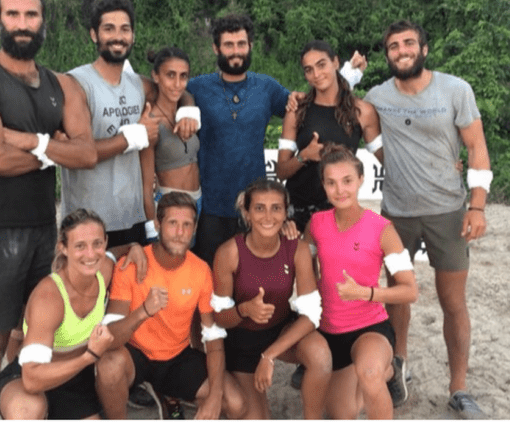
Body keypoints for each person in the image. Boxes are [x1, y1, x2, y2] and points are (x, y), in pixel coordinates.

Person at [0, 0, 99, 418]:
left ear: (43, 22)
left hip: (42, 227)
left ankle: (23, 407)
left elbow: (87, 154)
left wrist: (29, 143)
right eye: (12, 14)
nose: (22, 24)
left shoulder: (62, 84)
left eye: (30, 15)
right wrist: (52, 150)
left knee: (33, 331)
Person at [363, 20, 492, 418]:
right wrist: (402, 162)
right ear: (387, 54)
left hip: (448, 212)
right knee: (398, 295)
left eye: (408, 43)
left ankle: (459, 388)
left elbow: (476, 147)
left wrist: (477, 205)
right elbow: (370, 135)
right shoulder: (377, 95)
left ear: (423, 49)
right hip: (397, 215)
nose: (401, 51)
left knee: (453, 301)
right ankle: (398, 366)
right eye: (393, 46)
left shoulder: (455, 89)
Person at [187, 14, 366, 267]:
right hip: (210, 207)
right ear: (216, 48)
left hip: (258, 206)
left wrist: (346, 76)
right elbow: (168, 95)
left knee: (253, 277)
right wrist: (184, 110)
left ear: (250, 46)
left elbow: (310, 105)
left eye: (241, 44)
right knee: (209, 276)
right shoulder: (197, 88)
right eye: (228, 45)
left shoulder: (266, 87)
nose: (236, 51)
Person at [60, 0, 198, 249]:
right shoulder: (76, 83)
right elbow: (76, 153)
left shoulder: (138, 84)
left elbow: (175, 91)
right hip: (88, 221)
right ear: (94, 34)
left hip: (132, 217)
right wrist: (132, 137)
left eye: (124, 29)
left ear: (133, 36)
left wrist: (188, 110)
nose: (118, 36)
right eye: (109, 28)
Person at [96, 192, 246, 420]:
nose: (179, 232)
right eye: (172, 223)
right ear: (157, 225)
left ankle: (169, 393)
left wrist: (214, 397)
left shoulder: (201, 270)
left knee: (235, 404)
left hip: (176, 356)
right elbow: (109, 338)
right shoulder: (132, 264)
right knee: (108, 367)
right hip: (135, 354)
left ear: (195, 229)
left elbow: (213, 340)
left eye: (187, 225)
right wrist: (143, 312)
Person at [308, 145, 418, 419]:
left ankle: (384, 367)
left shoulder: (382, 228)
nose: (340, 190)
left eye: (347, 181)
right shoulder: (316, 223)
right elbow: (302, 264)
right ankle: (385, 371)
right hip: (330, 331)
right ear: (323, 185)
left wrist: (365, 293)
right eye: (331, 183)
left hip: (369, 328)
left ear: (361, 180)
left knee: (369, 374)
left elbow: (410, 290)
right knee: (341, 413)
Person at [212, 178, 331, 419]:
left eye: (276, 208)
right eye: (259, 208)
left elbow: (312, 316)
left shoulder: (296, 249)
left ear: (286, 213)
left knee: (320, 356)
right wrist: (245, 310)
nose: (268, 216)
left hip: (280, 330)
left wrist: (270, 355)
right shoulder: (228, 253)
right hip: (242, 341)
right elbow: (220, 318)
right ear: (247, 213)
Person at [0, 209, 115, 419]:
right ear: (63, 248)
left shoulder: (104, 269)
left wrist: (133, 248)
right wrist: (90, 356)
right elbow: (31, 379)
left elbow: (116, 254)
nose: (90, 254)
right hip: (31, 377)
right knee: (26, 412)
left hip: (74, 382)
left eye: (97, 244)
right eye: (80, 246)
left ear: (105, 242)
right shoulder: (49, 298)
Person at [278, 40, 383, 234]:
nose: (316, 74)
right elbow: (281, 172)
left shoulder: (362, 112)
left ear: (336, 62)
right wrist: (304, 156)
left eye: (321, 65)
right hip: (296, 216)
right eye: (309, 70)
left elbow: (387, 159)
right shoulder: (297, 111)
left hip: (339, 214)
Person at [139, 47, 202, 226]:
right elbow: (145, 188)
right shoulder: (151, 123)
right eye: (170, 75)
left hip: (197, 201)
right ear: (156, 76)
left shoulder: (187, 114)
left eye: (183, 76)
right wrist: (152, 225)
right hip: (170, 206)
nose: (177, 84)